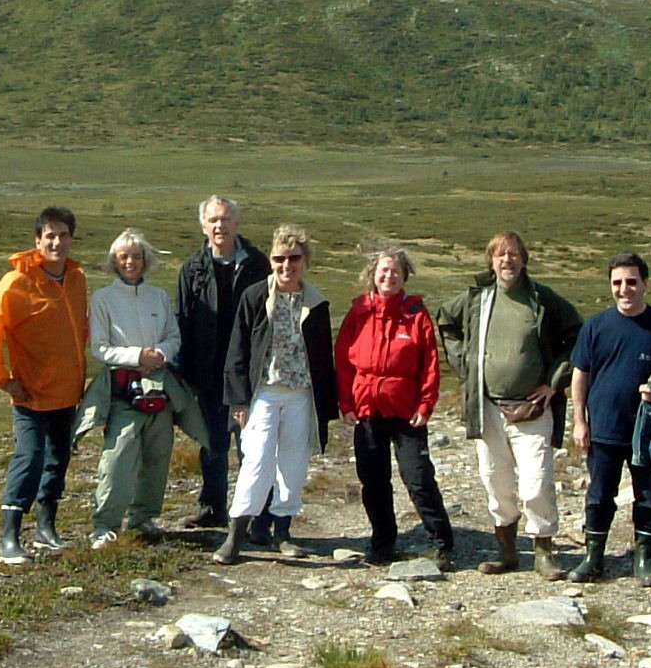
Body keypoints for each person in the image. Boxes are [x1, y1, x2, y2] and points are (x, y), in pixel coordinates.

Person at [435, 231, 583, 578]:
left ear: (524, 260)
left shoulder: (542, 300)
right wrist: (467, 366)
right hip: (488, 408)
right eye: (500, 255)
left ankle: (543, 551)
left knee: (536, 482)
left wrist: (553, 382)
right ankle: (507, 552)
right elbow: (446, 322)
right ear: (491, 261)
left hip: (532, 408)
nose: (507, 261)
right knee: (495, 481)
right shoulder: (477, 299)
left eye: (514, 254)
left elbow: (576, 335)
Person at [212, 224, 337, 565]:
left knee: (294, 464)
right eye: (279, 258)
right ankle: (237, 535)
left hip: (301, 395)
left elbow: (324, 359)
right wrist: (238, 399)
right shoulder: (254, 297)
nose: (286, 266)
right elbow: (237, 351)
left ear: (305, 261)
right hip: (263, 394)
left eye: (293, 258)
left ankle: (282, 531)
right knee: (256, 461)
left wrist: (327, 408)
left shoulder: (316, 303)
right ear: (271, 260)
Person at [569, 252, 651, 587]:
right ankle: (593, 557)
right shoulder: (596, 326)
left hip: (649, 433)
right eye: (617, 283)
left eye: (631, 282)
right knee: (598, 495)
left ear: (645, 284)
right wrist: (579, 422)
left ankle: (644, 558)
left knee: (649, 496)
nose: (624, 289)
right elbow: (579, 375)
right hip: (605, 429)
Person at [0, 206, 89, 565]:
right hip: (30, 394)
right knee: (30, 458)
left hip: (67, 392)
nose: (57, 242)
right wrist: (3, 379)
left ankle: (46, 527)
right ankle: (9, 536)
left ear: (71, 239)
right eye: (49, 236)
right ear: (38, 241)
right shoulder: (17, 282)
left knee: (58, 459)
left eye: (63, 235)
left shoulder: (77, 278)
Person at [335, 245, 455, 571]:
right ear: (373, 274)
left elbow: (430, 361)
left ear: (405, 276)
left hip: (406, 411)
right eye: (383, 271)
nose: (389, 276)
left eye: (395, 272)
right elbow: (344, 362)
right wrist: (346, 403)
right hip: (367, 409)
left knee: (418, 478)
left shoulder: (416, 314)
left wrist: (426, 404)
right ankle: (382, 542)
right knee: (373, 481)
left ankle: (442, 542)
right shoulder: (358, 312)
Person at [84, 228, 182, 549]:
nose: (131, 262)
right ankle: (106, 524)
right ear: (114, 261)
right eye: (124, 256)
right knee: (118, 456)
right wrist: (137, 356)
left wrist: (159, 355)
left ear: (146, 260)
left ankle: (143, 517)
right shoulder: (103, 299)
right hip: (123, 389)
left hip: (159, 387)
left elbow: (173, 336)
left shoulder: (159, 297)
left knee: (157, 453)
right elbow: (99, 347)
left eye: (137, 256)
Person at [176, 195, 270, 528]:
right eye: (214, 220)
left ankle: (258, 515)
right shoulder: (192, 268)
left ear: (237, 225)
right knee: (212, 444)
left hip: (248, 370)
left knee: (252, 446)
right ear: (204, 225)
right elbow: (183, 321)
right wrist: (186, 372)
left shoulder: (259, 265)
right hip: (209, 370)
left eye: (226, 219)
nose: (220, 226)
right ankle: (213, 507)